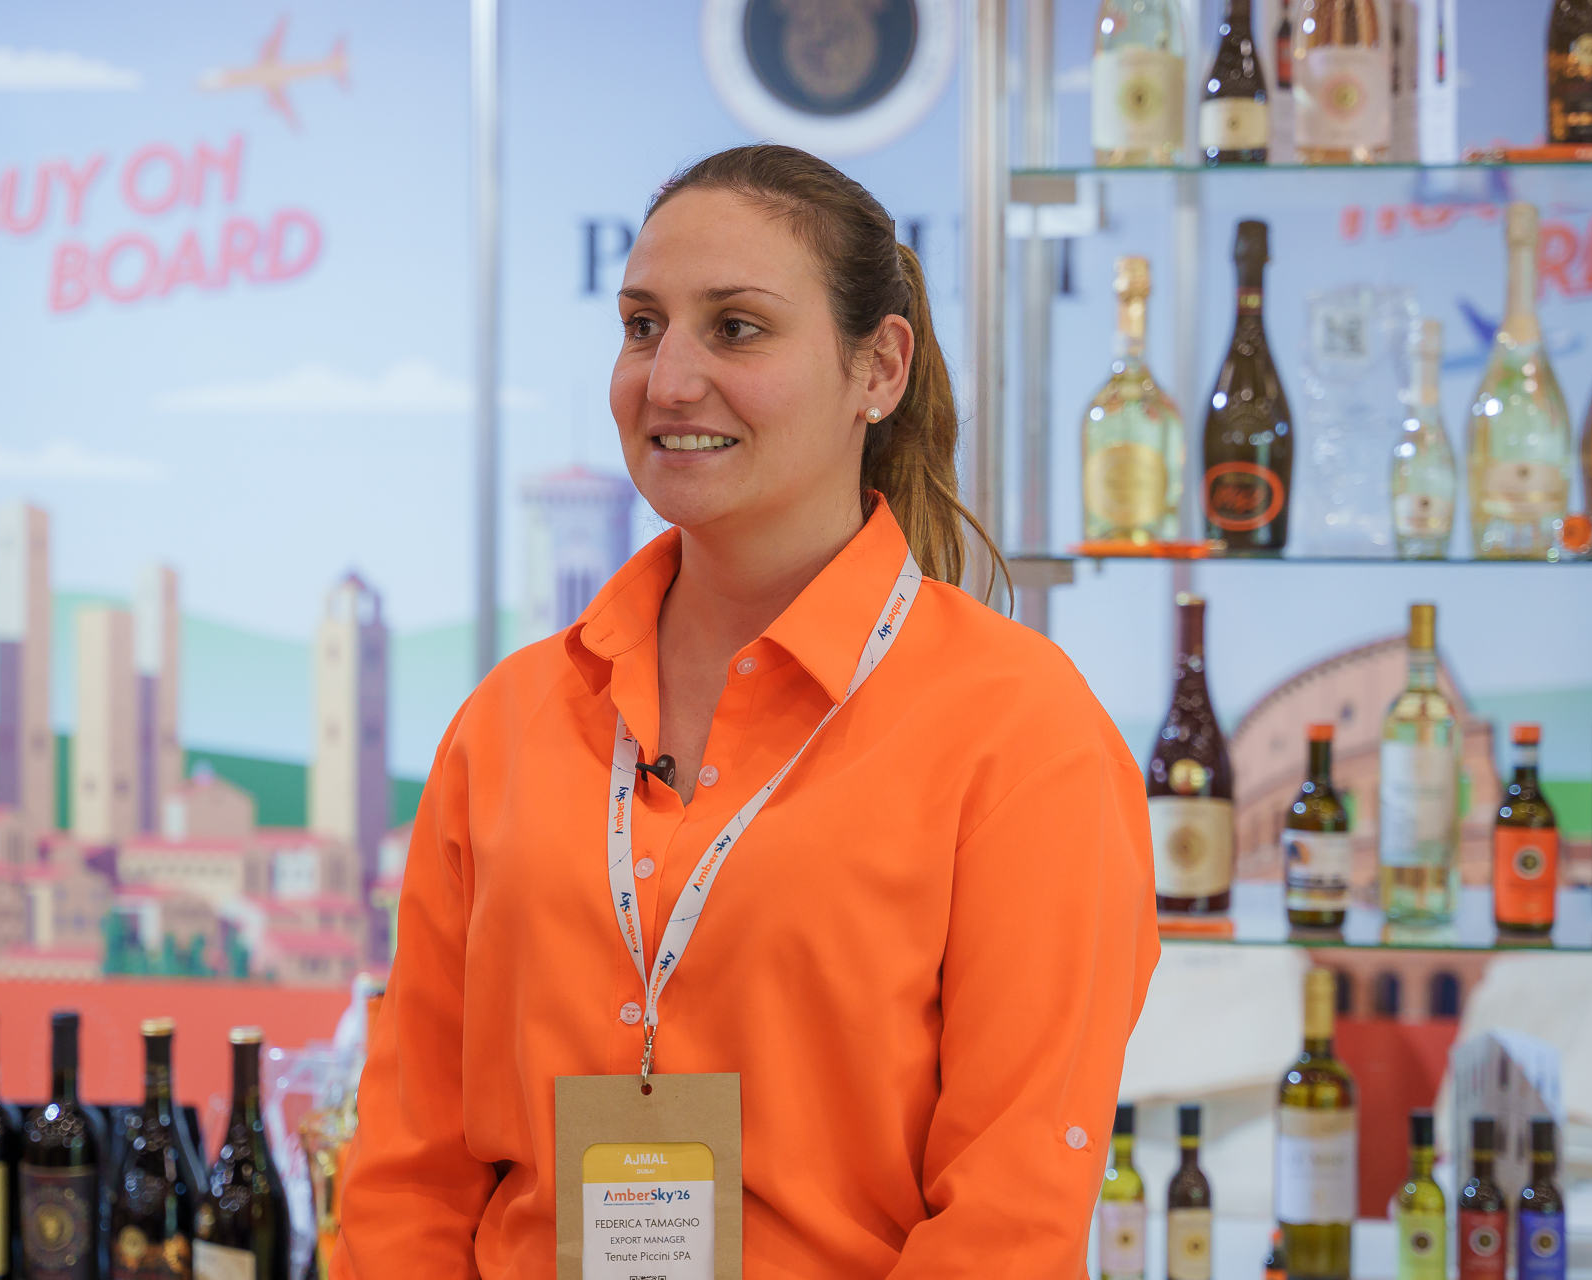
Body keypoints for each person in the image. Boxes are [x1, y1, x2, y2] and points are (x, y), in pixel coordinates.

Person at [334, 144, 1157, 1278]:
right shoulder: (509, 721)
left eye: (736, 327)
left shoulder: (1022, 733)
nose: (668, 379)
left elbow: (1006, 1223)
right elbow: (409, 1179)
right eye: (642, 326)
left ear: (879, 368)